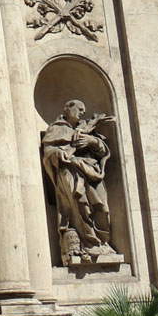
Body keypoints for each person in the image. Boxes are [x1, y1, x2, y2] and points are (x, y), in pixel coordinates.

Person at [40, 99, 118, 264]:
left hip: (92, 172)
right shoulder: (56, 129)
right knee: (79, 203)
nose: (82, 112)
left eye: (84, 110)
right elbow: (48, 152)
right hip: (70, 171)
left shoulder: (87, 129)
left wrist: (92, 141)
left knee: (102, 207)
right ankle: (87, 245)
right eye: (79, 109)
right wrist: (59, 155)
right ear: (67, 108)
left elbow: (103, 150)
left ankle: (101, 240)